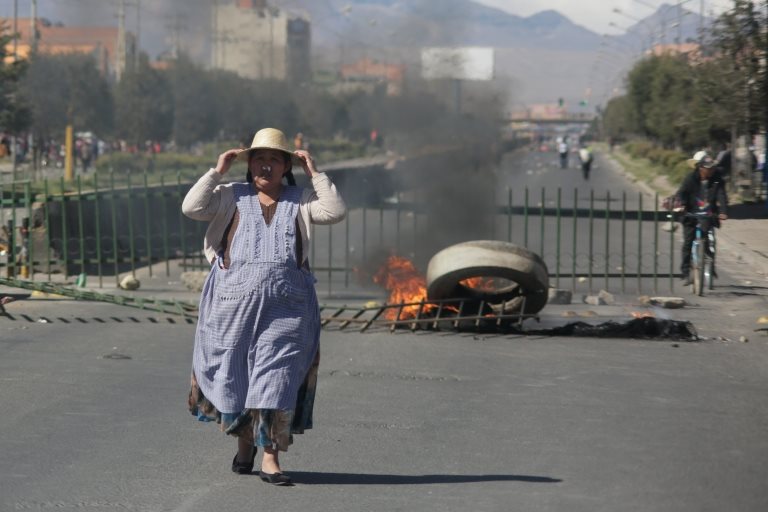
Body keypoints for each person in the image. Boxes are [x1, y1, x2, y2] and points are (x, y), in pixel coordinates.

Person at [182, 127, 346, 486]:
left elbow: (334, 211)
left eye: (274, 159)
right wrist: (217, 170)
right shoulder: (230, 196)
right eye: (259, 159)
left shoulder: (300, 200)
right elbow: (192, 207)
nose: (266, 167)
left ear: (286, 166)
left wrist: (315, 173)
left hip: (287, 310)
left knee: (277, 379)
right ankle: (246, 447)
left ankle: (270, 457)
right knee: (238, 379)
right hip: (232, 309)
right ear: (249, 164)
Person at [675, 152, 728, 286]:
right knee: (688, 242)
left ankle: (711, 266)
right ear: (700, 168)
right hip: (691, 213)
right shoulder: (690, 178)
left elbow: (722, 195)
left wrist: (723, 212)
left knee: (711, 241)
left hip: (708, 214)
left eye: (712, 168)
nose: (710, 170)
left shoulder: (717, 179)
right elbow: (681, 193)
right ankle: (686, 273)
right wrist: (681, 205)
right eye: (707, 168)